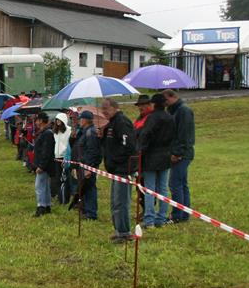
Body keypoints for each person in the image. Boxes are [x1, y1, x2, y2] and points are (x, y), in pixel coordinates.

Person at [100, 98, 136, 243]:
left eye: (106, 108)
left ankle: (124, 233)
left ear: (114, 107)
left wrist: (115, 160)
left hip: (123, 169)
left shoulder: (122, 122)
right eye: (102, 109)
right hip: (115, 170)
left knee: (121, 202)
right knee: (115, 202)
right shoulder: (111, 124)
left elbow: (128, 146)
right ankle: (118, 230)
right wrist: (101, 136)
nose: (103, 112)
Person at [137, 93, 175, 228]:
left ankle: (149, 220)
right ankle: (161, 218)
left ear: (154, 104)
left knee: (150, 190)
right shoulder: (170, 118)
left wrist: (140, 149)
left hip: (151, 157)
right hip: (165, 156)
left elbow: (145, 135)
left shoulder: (152, 118)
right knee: (163, 189)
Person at [164, 89, 195, 224]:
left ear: (172, 97)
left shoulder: (184, 111)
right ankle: (184, 214)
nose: (164, 103)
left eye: (166, 100)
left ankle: (177, 215)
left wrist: (177, 153)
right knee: (182, 183)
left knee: (175, 183)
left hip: (182, 154)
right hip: (179, 152)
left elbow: (184, 135)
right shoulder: (173, 111)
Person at [70, 110, 101, 220]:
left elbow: (92, 151)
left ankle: (91, 213)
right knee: (85, 188)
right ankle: (86, 210)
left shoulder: (90, 133)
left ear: (85, 120)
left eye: (81, 119)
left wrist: (89, 167)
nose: (79, 121)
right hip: (83, 164)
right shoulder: (84, 131)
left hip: (88, 165)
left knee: (90, 188)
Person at [32, 112, 55, 217]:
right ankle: (47, 206)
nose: (36, 122)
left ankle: (41, 206)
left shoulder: (47, 133)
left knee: (39, 186)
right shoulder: (44, 132)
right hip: (44, 165)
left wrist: (41, 166)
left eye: (37, 120)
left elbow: (46, 151)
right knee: (45, 186)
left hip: (44, 166)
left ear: (41, 120)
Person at [52, 112, 72, 205]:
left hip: (65, 157)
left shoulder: (69, 130)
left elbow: (68, 144)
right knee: (58, 178)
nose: (57, 121)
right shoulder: (55, 132)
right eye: (56, 120)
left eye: (59, 120)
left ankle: (66, 198)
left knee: (66, 178)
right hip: (57, 157)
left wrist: (66, 157)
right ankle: (60, 196)